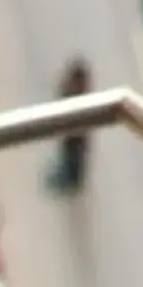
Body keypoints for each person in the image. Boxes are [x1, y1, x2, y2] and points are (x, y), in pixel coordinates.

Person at [53, 58, 91, 189]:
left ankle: (75, 181)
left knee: (78, 161)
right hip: (70, 133)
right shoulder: (68, 91)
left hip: (79, 135)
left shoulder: (85, 95)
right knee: (70, 157)